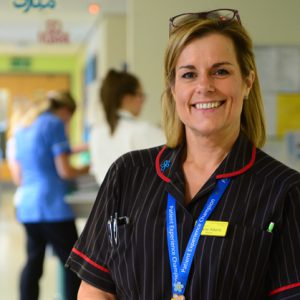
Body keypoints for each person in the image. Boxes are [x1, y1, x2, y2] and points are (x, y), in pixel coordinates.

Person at [66, 9, 300, 300]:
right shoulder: (128, 173)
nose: (204, 86)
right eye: (189, 74)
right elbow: (95, 288)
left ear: (248, 82)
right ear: (173, 88)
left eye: (221, 71)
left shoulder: (284, 191)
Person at [8, 90, 89, 300]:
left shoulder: (24, 126)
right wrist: (89, 168)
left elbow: (23, 172)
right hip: (52, 206)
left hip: (28, 206)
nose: (67, 122)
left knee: (33, 262)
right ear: (64, 110)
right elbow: (65, 171)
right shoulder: (54, 123)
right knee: (73, 264)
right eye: (69, 117)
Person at [88, 69, 165, 185]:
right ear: (127, 98)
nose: (143, 100)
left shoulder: (96, 132)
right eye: (140, 95)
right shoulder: (143, 130)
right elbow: (171, 162)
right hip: (143, 200)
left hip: (109, 201)